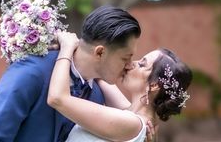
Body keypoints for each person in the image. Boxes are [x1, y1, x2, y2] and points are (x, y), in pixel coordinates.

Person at [0, 5, 142, 142]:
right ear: (99, 53)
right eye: (125, 58)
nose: (129, 66)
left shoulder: (97, 95)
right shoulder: (31, 72)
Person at [48, 31, 192, 142]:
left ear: (154, 85)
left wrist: (66, 48)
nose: (131, 64)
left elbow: (57, 98)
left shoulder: (132, 124)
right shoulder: (132, 114)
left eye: (142, 64)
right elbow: (100, 74)